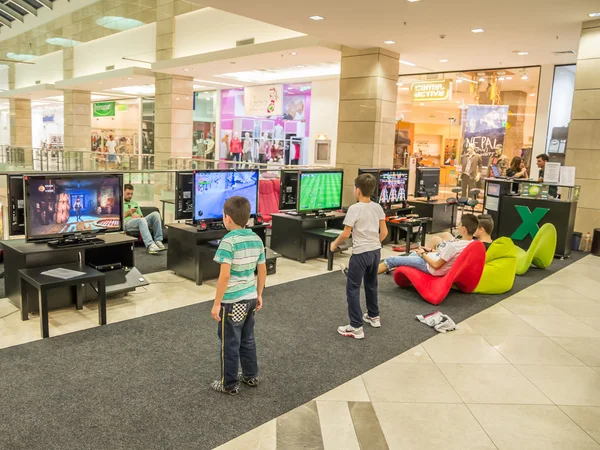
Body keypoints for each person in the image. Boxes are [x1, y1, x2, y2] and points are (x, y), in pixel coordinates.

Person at [210, 196, 267, 395]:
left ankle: (229, 384)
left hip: (232, 302)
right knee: (248, 338)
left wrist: (217, 303)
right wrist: (259, 294)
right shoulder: (256, 238)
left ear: (227, 218)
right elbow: (262, 270)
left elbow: (224, 275)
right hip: (251, 298)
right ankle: (251, 375)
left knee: (230, 342)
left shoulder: (228, 241)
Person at [333, 174, 388, 340]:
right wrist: (373, 243)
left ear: (357, 190)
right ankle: (373, 316)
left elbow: (345, 234)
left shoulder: (354, 209)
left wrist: (334, 244)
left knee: (353, 288)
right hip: (375, 253)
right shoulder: (377, 207)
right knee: (371, 284)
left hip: (360, 254)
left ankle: (356, 326)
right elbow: (384, 232)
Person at [378, 214, 478, 276]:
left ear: (464, 229)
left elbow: (436, 265)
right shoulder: (471, 244)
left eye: (459, 225)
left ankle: (367, 277)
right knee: (412, 255)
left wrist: (423, 254)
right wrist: (429, 251)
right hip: (433, 258)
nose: (458, 226)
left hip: (429, 266)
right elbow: (446, 255)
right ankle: (397, 265)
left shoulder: (454, 246)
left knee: (391, 259)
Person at [123, 184, 165, 255]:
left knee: (155, 214)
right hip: (127, 224)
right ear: (123, 193)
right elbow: (118, 219)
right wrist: (128, 213)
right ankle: (150, 245)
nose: (130, 196)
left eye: (131, 194)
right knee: (141, 220)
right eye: (128, 194)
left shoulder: (135, 203)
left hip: (139, 222)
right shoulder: (119, 204)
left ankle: (158, 240)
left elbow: (142, 217)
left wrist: (138, 216)